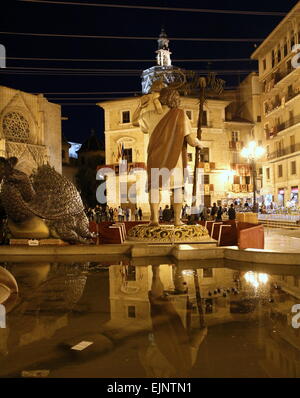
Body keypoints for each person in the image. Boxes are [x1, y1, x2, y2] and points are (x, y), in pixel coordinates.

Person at [133, 86, 202, 226]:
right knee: (177, 188)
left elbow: (134, 121)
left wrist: (140, 106)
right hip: (175, 158)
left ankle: (154, 220)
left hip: (155, 157)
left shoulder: (150, 115)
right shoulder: (181, 115)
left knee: (154, 187)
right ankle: (177, 220)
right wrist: (199, 144)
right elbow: (190, 140)